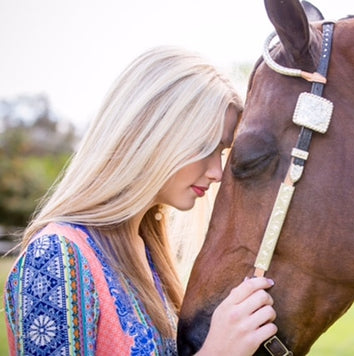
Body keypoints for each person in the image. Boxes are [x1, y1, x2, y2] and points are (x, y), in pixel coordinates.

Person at [3, 47, 277, 355]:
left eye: (222, 151)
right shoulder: (56, 257)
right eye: (205, 146)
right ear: (151, 135)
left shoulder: (147, 253)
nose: (216, 172)